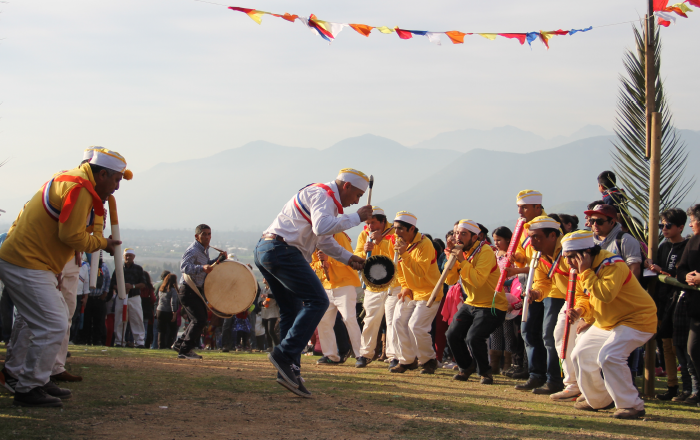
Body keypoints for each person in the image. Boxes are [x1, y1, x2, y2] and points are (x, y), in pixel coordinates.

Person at [0, 148, 126, 407]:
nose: (116, 187)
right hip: (26, 262)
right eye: (116, 180)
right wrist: (102, 243)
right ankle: (29, 387)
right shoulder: (79, 188)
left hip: (31, 262)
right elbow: (70, 236)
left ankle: (29, 376)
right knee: (53, 323)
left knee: (38, 320)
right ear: (102, 174)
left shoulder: (68, 179)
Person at [254, 168, 371, 398]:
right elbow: (322, 227)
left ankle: (290, 369)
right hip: (282, 251)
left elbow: (324, 241)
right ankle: (284, 355)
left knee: (292, 310)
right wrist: (357, 217)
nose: (357, 200)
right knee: (317, 301)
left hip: (268, 249)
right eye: (357, 195)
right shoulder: (324, 195)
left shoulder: (322, 197)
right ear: (346, 186)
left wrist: (349, 258)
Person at [565, 230, 657, 419]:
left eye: (571, 258)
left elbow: (605, 294)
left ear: (586, 254)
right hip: (607, 321)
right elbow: (583, 296)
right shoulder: (581, 268)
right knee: (580, 353)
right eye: (565, 257)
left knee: (610, 356)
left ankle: (632, 405)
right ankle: (599, 400)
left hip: (637, 319)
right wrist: (580, 311)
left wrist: (586, 272)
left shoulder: (613, 264)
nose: (568, 263)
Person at [444, 219, 507, 384]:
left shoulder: (485, 250)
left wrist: (462, 261)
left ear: (475, 237)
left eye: (463, 234)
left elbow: (478, 280)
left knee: (473, 338)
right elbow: (450, 280)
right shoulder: (461, 251)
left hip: (491, 305)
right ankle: (466, 367)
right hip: (471, 303)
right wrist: (451, 261)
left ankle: (485, 372)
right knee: (452, 334)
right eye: (457, 233)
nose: (458, 237)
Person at [514, 216, 566, 395]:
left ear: (553, 236)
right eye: (530, 237)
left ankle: (557, 380)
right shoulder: (538, 253)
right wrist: (536, 293)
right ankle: (538, 375)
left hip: (571, 298)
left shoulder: (568, 250)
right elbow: (542, 281)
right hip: (550, 295)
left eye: (536, 237)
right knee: (530, 332)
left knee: (552, 337)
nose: (532, 242)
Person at [389, 211, 442, 375]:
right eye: (395, 228)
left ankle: (428, 360)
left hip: (429, 292)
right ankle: (407, 361)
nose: (396, 232)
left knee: (416, 326)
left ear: (412, 229)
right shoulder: (398, 243)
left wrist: (404, 253)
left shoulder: (425, 244)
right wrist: (404, 286)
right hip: (412, 291)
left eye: (400, 229)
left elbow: (420, 271)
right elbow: (399, 269)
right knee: (398, 321)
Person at [645, 208, 688, 400]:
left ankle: (687, 387)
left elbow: (684, 276)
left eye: (668, 225)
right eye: (661, 225)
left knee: (679, 346)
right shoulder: (663, 247)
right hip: (662, 302)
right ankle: (672, 386)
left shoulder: (687, 247)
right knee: (664, 344)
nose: (664, 229)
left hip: (680, 302)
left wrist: (662, 271)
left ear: (680, 227)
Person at [353, 207, 400, 368]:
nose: (370, 226)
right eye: (367, 223)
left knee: (393, 320)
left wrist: (383, 242)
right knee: (370, 319)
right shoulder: (364, 235)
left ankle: (395, 356)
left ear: (382, 221)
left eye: (373, 222)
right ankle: (365, 354)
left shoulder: (396, 232)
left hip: (394, 283)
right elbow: (358, 256)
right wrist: (364, 252)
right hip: (373, 284)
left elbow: (398, 255)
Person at [175, 224, 226, 359]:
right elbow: (184, 267)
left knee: (199, 319)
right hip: (188, 289)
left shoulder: (204, 250)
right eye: (204, 234)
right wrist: (202, 268)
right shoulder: (193, 249)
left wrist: (219, 260)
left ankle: (180, 345)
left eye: (209, 234)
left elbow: (207, 264)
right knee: (199, 320)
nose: (207, 237)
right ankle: (185, 350)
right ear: (197, 236)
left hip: (195, 290)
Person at [312, 232, 362, 365]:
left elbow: (350, 259)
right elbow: (313, 263)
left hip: (344, 284)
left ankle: (360, 355)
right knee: (323, 321)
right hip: (326, 286)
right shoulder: (313, 239)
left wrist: (330, 260)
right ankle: (330, 355)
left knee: (349, 319)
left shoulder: (339, 236)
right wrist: (321, 265)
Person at [491, 226, 526, 379]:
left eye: (499, 240)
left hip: (510, 298)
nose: (497, 243)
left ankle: (508, 364)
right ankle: (494, 364)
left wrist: (505, 282)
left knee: (508, 332)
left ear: (508, 240)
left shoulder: (513, 257)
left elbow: (516, 277)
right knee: (495, 330)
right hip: (495, 297)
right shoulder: (493, 255)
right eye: (495, 240)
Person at [675, 204, 700, 406]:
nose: (690, 224)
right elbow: (681, 268)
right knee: (693, 349)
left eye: (692, 220)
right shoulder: (692, 242)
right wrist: (687, 277)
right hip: (696, 307)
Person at [585, 204, 642, 279]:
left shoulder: (625, 240)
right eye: (592, 221)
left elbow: (634, 269)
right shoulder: (588, 240)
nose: (595, 224)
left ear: (612, 222)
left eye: (600, 221)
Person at [111, 248, 148, 348]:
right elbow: (113, 283)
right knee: (119, 319)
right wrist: (121, 287)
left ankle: (139, 342)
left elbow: (143, 284)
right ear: (123, 257)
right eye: (126, 256)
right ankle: (119, 341)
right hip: (121, 297)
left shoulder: (138, 269)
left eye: (130, 256)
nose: (128, 258)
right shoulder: (119, 268)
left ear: (133, 257)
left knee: (137, 319)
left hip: (134, 297)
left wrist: (132, 286)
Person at [81, 254, 111, 346]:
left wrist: (105, 294)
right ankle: (85, 339)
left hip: (99, 298)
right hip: (88, 298)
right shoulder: (85, 266)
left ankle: (97, 340)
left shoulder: (104, 267)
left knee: (99, 321)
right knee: (86, 320)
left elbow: (107, 281)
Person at [156, 273, 179, 349]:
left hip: (160, 310)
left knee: (161, 330)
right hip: (168, 311)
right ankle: (169, 345)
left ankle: (161, 345)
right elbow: (173, 302)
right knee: (173, 329)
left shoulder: (161, 289)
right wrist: (174, 313)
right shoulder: (173, 290)